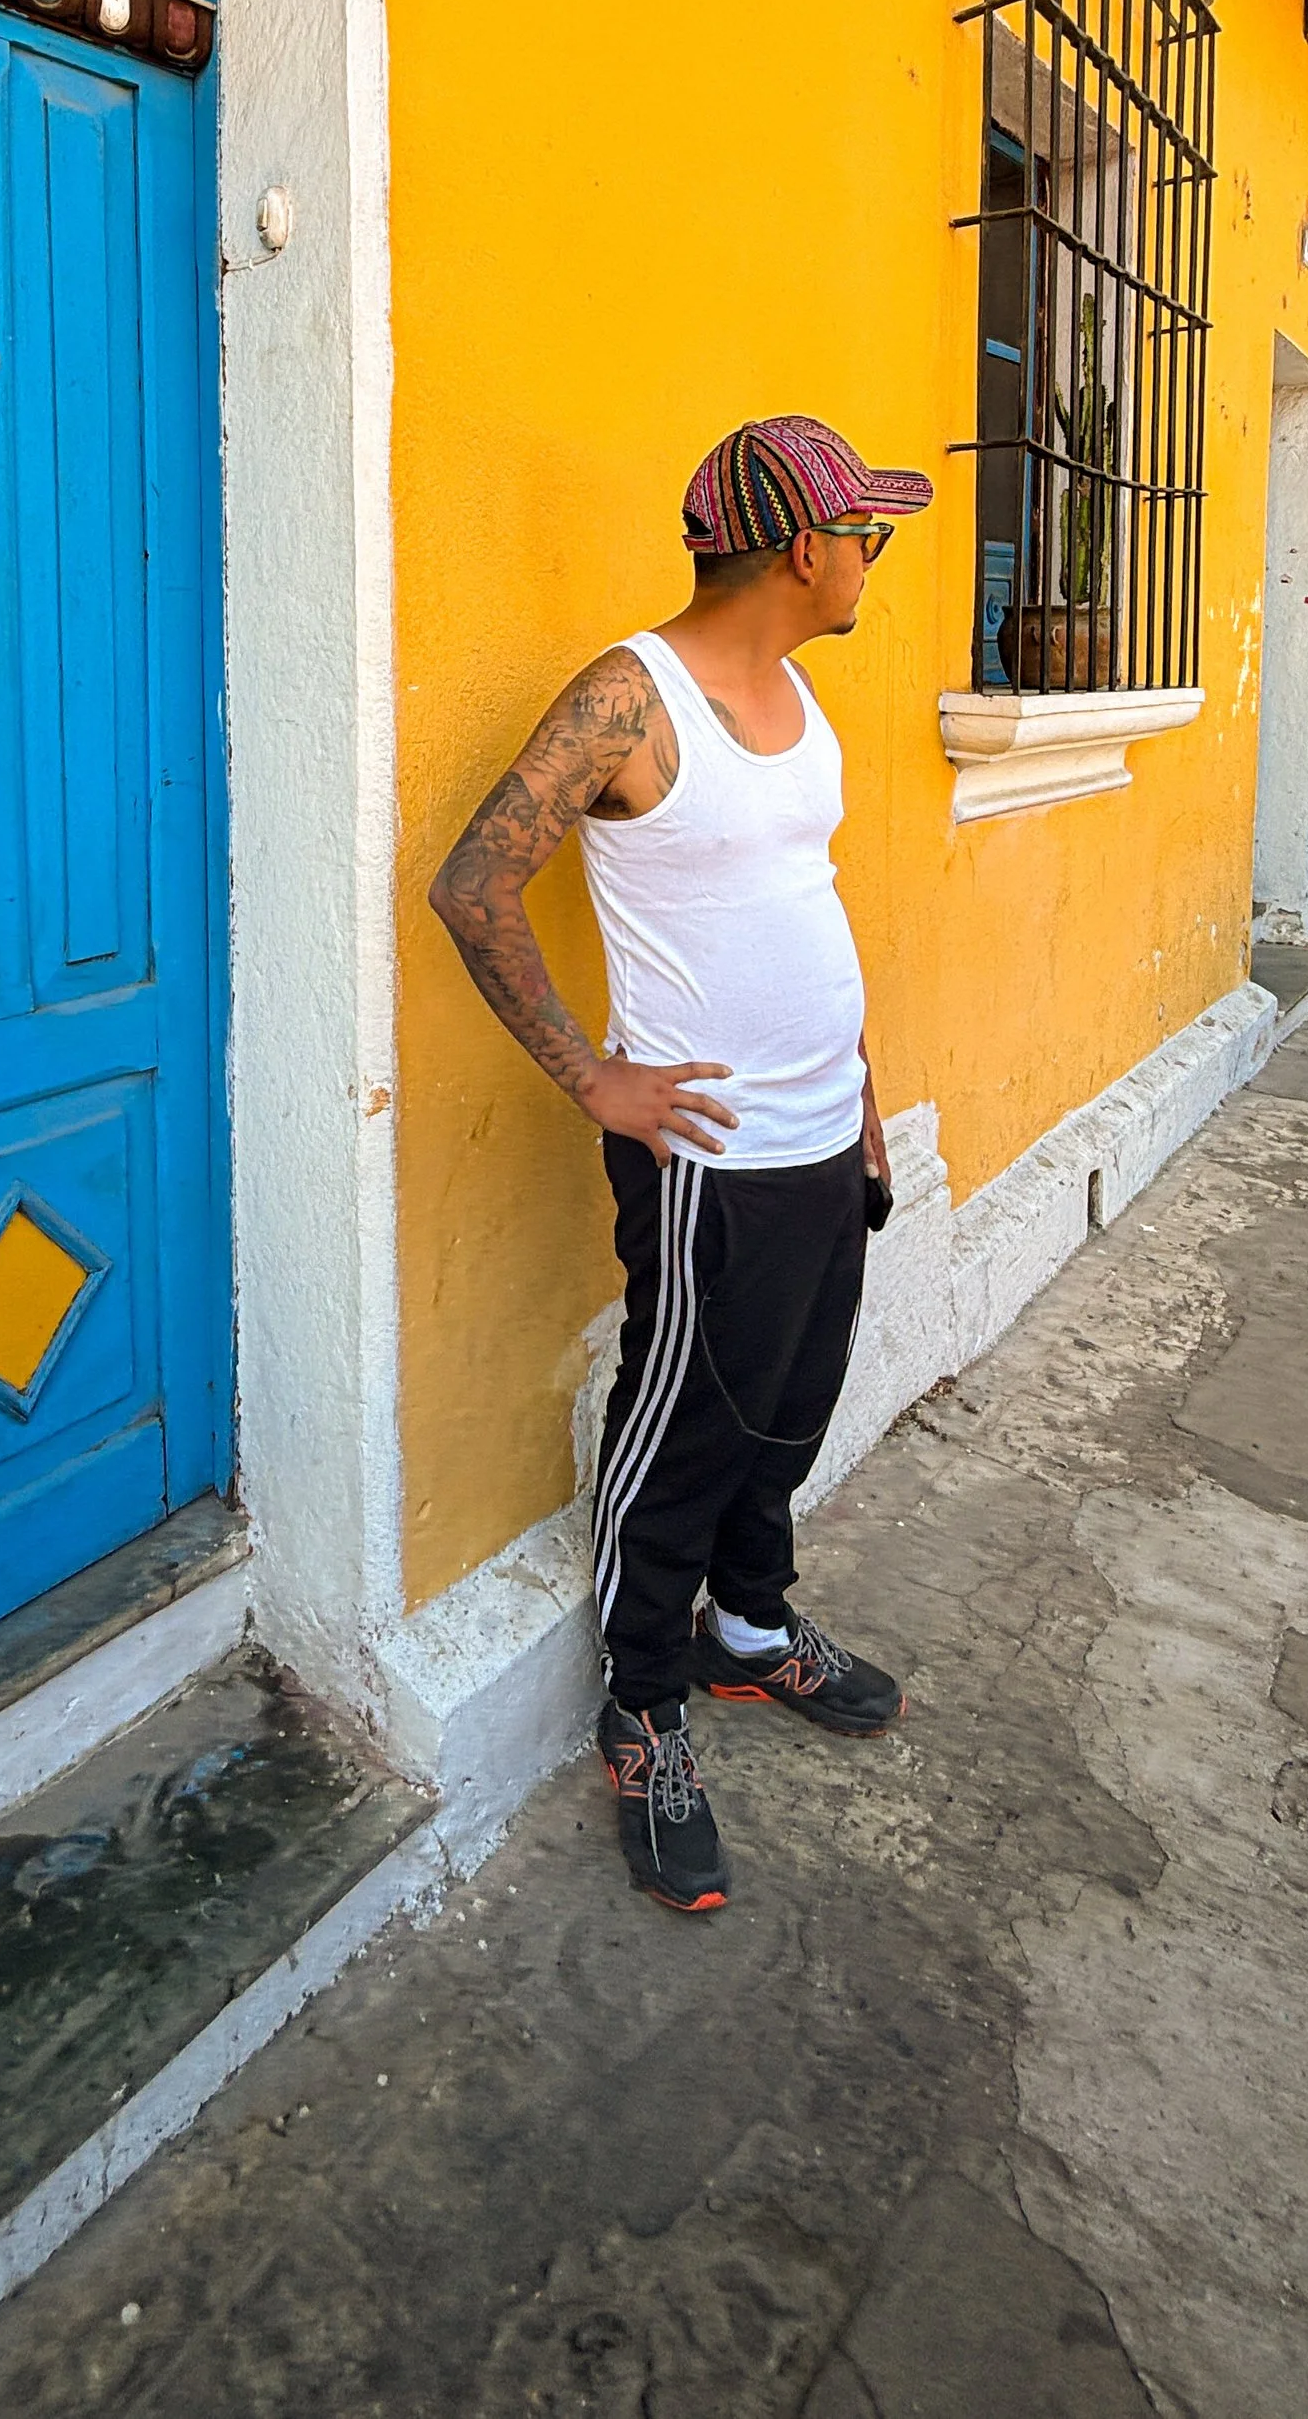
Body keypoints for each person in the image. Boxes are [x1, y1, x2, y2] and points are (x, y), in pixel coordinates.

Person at [428, 415, 928, 1912]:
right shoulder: (628, 702)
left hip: (825, 1138)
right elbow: (473, 885)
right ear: (798, 548)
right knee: (686, 1432)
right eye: (865, 536)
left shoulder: (797, 694)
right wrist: (596, 1079)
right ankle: (644, 1704)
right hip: (713, 1162)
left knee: (788, 1413)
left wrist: (866, 1095)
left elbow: (803, 905)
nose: (871, 565)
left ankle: (753, 1633)